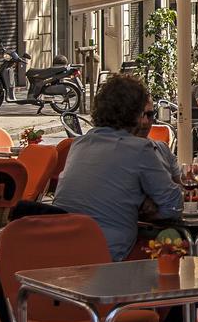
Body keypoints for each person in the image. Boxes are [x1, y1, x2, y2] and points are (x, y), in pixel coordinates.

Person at [54, 75, 182, 261]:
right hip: (110, 253)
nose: (148, 121)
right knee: (173, 250)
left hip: (65, 248)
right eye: (146, 114)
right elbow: (174, 205)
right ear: (136, 114)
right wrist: (145, 207)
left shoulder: (80, 144)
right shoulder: (139, 149)